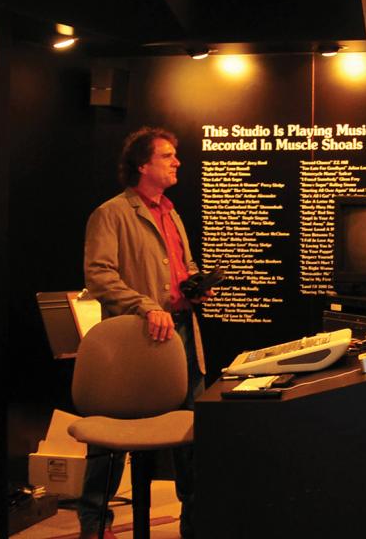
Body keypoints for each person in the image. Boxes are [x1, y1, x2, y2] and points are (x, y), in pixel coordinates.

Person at [79, 127, 205, 539]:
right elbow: (99, 275)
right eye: (167, 156)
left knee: (193, 434)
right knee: (109, 441)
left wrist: (195, 285)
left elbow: (181, 268)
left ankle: (196, 524)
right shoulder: (112, 213)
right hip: (137, 341)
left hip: (184, 335)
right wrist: (146, 305)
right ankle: (94, 526)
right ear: (142, 165)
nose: (177, 162)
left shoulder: (171, 212)